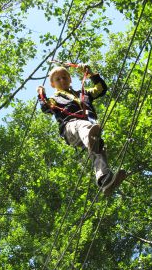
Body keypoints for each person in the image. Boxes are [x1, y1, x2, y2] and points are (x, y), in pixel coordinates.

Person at [37, 64, 126, 196]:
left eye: (64, 77)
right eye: (58, 79)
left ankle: (104, 179)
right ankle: (91, 138)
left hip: (88, 128)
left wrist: (91, 74)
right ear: (52, 84)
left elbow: (101, 89)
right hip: (70, 128)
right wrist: (41, 95)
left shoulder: (83, 94)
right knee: (82, 126)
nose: (62, 80)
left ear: (70, 79)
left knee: (99, 149)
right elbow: (45, 107)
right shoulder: (54, 100)